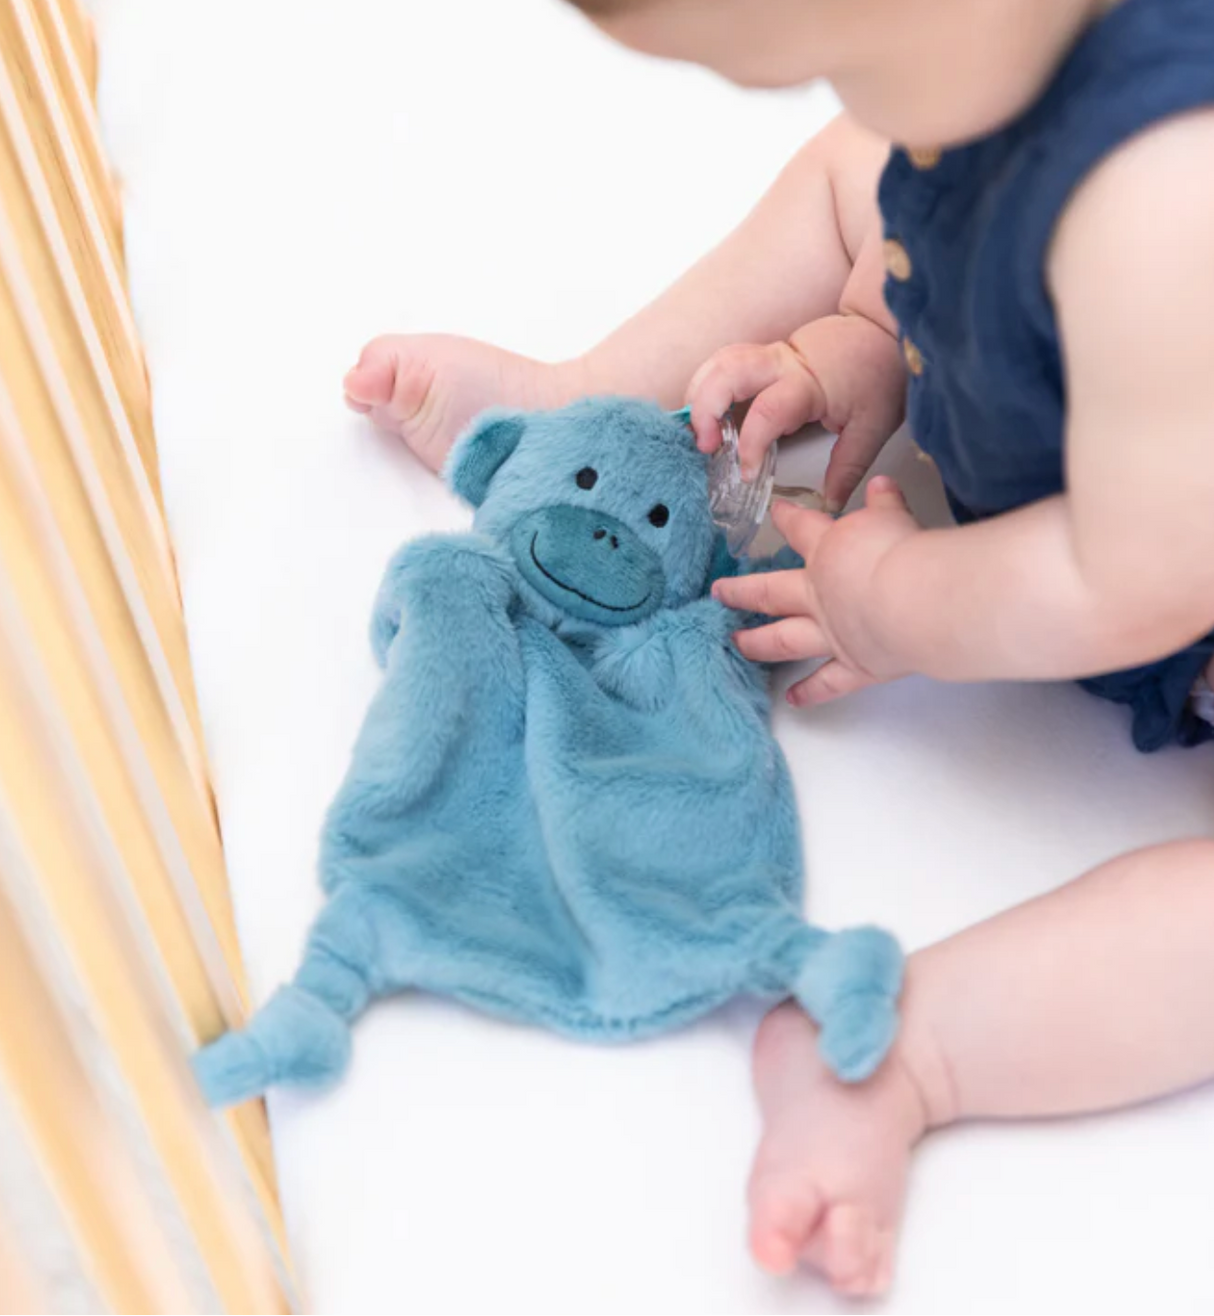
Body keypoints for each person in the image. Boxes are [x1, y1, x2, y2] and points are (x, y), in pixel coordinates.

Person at [343, 0, 1214, 1295]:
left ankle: (904, 1050)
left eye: (857, 63)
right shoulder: (956, 81)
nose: (862, 111)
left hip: (1169, 566)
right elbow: (899, 201)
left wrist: (903, 601)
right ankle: (575, 390)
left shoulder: (1163, 202)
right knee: (848, 184)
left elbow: (1136, 577)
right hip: (1146, 453)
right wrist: (863, 340)